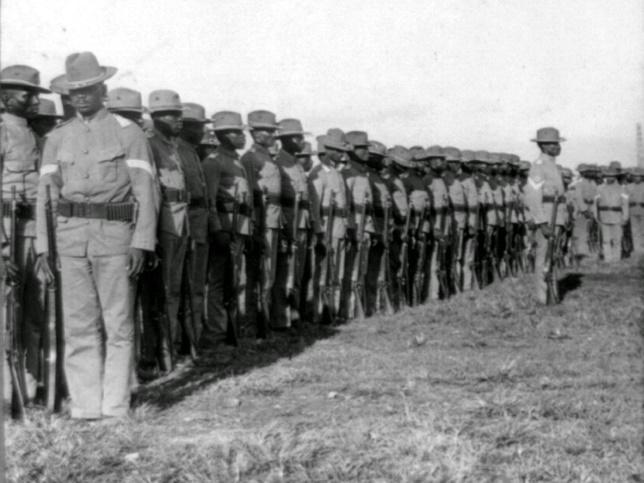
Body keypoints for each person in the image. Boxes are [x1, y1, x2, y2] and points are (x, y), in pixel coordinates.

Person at [36, 52, 157, 419]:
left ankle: (115, 405)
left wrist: (142, 241)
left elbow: (146, 190)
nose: (81, 97)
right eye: (75, 92)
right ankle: (87, 406)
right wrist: (44, 247)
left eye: (88, 89)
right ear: (67, 97)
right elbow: (46, 194)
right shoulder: (58, 138)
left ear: (102, 89)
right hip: (71, 241)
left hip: (116, 239)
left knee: (118, 325)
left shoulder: (128, 132)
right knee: (78, 326)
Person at [0, 64, 50, 403]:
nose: (33, 99)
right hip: (7, 230)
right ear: (4, 96)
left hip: (34, 229)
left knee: (35, 310)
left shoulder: (33, 135)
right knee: (7, 313)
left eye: (34, 92)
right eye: (26, 92)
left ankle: (28, 386)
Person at [201, 111, 250, 360]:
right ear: (221, 134)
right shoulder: (214, 161)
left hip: (238, 227)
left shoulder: (236, 161)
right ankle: (215, 335)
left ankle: (230, 329)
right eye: (235, 132)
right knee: (218, 284)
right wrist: (216, 228)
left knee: (233, 281)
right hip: (223, 229)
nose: (242, 136)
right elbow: (209, 199)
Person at [146, 90, 189, 369]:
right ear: (157, 117)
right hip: (165, 222)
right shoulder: (150, 145)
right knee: (161, 291)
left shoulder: (174, 146)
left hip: (181, 220)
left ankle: (170, 346)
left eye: (179, 113)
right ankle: (158, 351)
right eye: (173, 115)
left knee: (174, 288)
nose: (179, 120)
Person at [240, 110, 281, 338]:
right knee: (257, 275)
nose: (272, 134)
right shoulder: (250, 158)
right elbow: (252, 195)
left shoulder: (266, 157)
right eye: (268, 130)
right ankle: (251, 324)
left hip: (273, 221)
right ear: (255, 133)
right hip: (261, 221)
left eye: (273, 130)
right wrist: (254, 226)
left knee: (269, 275)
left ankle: (263, 323)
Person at [272, 119, 315, 328]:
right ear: (285, 139)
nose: (301, 141)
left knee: (296, 271)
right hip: (288, 223)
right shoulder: (278, 163)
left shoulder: (296, 163)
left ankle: (294, 313)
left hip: (302, 222)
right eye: (297, 137)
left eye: (301, 137)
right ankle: (281, 317)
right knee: (284, 272)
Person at [308, 130, 350, 323]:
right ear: (326, 151)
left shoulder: (335, 173)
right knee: (323, 273)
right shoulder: (318, 174)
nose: (340, 153)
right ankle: (319, 312)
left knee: (336, 273)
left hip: (339, 227)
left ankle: (331, 311)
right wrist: (319, 232)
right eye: (336, 150)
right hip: (327, 228)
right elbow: (314, 208)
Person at [177, 103, 210, 345]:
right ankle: (184, 337)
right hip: (185, 223)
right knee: (185, 283)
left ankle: (195, 333)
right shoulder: (177, 151)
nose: (202, 131)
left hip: (199, 222)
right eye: (197, 126)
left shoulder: (191, 152)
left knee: (197, 283)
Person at [523, 127, 567, 304]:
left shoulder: (553, 166)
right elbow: (533, 197)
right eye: (552, 144)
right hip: (548, 218)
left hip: (558, 218)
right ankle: (542, 298)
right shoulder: (538, 166)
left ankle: (552, 295)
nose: (556, 146)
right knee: (544, 258)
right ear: (542, 145)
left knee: (553, 257)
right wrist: (542, 222)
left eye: (557, 143)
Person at [593, 166, 629, 262]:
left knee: (617, 239)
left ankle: (616, 258)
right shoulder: (599, 188)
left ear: (616, 177)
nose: (610, 178)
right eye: (608, 176)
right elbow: (595, 204)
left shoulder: (622, 189)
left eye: (612, 176)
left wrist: (625, 217)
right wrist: (596, 216)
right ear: (605, 176)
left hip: (617, 216)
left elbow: (625, 204)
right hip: (603, 215)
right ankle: (607, 258)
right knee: (605, 239)